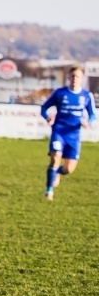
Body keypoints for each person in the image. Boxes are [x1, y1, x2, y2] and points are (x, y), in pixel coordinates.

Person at [41, 66, 95, 201]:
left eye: (77, 76)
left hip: (74, 135)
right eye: (72, 76)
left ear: (82, 79)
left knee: (69, 169)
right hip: (58, 132)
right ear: (68, 78)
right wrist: (47, 117)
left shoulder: (86, 96)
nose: (74, 79)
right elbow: (44, 107)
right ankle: (49, 190)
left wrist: (87, 122)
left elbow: (92, 114)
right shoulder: (60, 93)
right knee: (55, 159)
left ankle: (58, 172)